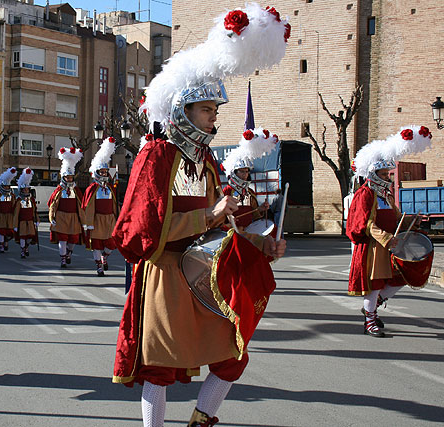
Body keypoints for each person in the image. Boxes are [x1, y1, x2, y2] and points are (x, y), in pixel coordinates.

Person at [111, 6, 290, 426]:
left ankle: (202, 420)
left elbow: (223, 223)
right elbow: (140, 232)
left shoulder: (206, 160)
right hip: (165, 272)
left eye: (214, 108)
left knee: (232, 353)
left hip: (204, 270)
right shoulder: (156, 156)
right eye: (207, 109)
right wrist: (207, 216)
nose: (215, 116)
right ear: (183, 110)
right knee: (161, 370)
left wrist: (263, 245)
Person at [347, 125, 433, 338]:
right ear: (373, 173)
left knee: (399, 278)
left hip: (391, 244)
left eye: (387, 173)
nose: (387, 176)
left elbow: (394, 218)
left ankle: (374, 306)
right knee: (375, 284)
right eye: (383, 173)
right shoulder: (365, 194)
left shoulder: (385, 195)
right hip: (375, 247)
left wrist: (411, 223)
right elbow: (364, 224)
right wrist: (386, 239)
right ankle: (369, 320)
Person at [221, 130, 276, 232]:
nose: (245, 174)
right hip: (232, 232)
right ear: (234, 173)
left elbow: (254, 215)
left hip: (249, 232)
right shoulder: (226, 192)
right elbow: (219, 215)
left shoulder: (250, 193)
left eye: (247, 171)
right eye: (242, 171)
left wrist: (261, 209)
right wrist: (228, 220)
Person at [82, 137, 119, 276]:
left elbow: (115, 205)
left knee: (111, 244)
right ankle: (99, 266)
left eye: (105, 172)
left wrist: (118, 218)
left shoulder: (110, 188)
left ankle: (105, 257)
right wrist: (89, 223)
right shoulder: (92, 189)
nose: (104, 174)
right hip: (97, 220)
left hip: (109, 220)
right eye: (101, 172)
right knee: (96, 244)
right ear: (97, 173)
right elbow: (88, 206)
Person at [48, 147, 85, 268]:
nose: (69, 179)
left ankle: (69, 252)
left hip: (74, 217)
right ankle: (63, 259)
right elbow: (52, 204)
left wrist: (83, 220)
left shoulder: (76, 190)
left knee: (73, 239)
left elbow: (82, 204)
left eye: (71, 178)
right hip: (61, 217)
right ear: (63, 178)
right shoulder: (59, 190)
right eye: (67, 177)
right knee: (62, 239)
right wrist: (51, 217)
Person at [0, 167, 18, 253]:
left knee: (9, 232)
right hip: (1, 216)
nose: (7, 187)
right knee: (1, 231)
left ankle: (6, 242)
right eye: (5, 186)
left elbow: (15, 206)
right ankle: (1, 245)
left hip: (10, 216)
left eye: (8, 186)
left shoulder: (12, 195)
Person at [15, 168, 38, 259]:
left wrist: (37, 220)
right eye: (24, 190)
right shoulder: (19, 201)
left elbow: (34, 211)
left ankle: (26, 246)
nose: (26, 191)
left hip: (30, 221)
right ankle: (22, 250)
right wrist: (15, 225)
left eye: (27, 190)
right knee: (22, 237)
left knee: (30, 236)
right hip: (22, 222)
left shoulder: (31, 200)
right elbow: (16, 213)